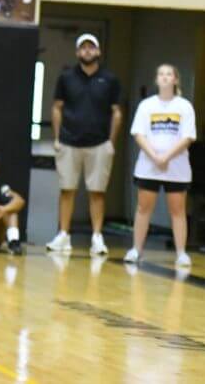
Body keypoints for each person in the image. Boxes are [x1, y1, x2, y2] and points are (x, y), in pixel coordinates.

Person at [47, 34, 122, 256]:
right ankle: (64, 235)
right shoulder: (66, 77)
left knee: (97, 192)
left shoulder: (110, 79)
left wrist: (111, 141)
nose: (87, 51)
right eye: (83, 47)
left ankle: (97, 237)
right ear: (78, 52)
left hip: (99, 144)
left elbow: (117, 112)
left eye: (91, 47)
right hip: (69, 142)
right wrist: (58, 138)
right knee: (67, 189)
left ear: (98, 52)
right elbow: (57, 107)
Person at [124, 64, 196, 267]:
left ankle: (181, 252)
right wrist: (155, 155)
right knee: (143, 208)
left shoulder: (184, 107)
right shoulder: (147, 105)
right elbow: (138, 133)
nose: (165, 77)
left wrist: (167, 156)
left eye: (169, 74)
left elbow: (188, 136)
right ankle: (136, 249)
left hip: (176, 167)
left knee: (178, 210)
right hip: (149, 165)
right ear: (157, 79)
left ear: (175, 79)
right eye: (161, 74)